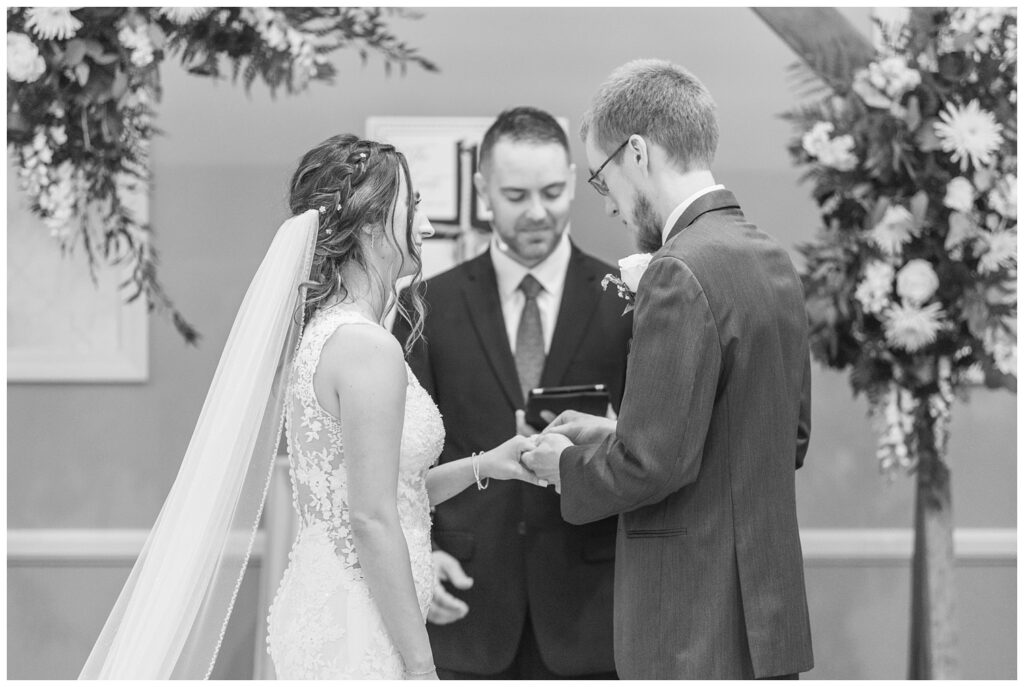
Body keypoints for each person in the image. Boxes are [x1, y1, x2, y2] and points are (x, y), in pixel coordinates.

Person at [80, 135, 543, 680]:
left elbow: (396, 491)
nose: (427, 228)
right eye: (412, 208)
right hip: (361, 619)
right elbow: (371, 518)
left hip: (345, 601)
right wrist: (421, 667)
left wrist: (485, 464)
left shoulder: (334, 334)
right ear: (372, 225)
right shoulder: (368, 348)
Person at [522, 60, 814, 680]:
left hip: (692, 619)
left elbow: (653, 464)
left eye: (601, 182)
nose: (607, 209)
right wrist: (616, 433)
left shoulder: (678, 269)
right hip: (765, 614)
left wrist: (564, 465)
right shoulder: (772, 258)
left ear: (636, 152)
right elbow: (784, 437)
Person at [393, 107, 631, 679]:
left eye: (552, 191)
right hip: (466, 602)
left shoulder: (627, 299)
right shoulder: (426, 305)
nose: (536, 212)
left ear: (574, 181)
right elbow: (398, 457)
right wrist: (419, 556)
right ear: (482, 190)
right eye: (516, 194)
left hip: (592, 603)